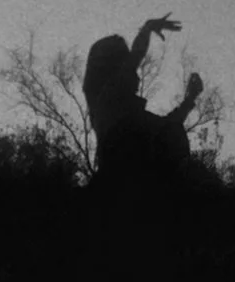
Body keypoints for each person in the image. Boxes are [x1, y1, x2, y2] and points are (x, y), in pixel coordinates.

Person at [81, 13, 204, 192]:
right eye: (125, 65)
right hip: (125, 198)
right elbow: (134, 60)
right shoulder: (108, 104)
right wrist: (146, 30)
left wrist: (190, 99)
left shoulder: (130, 117)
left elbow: (168, 125)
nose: (135, 74)